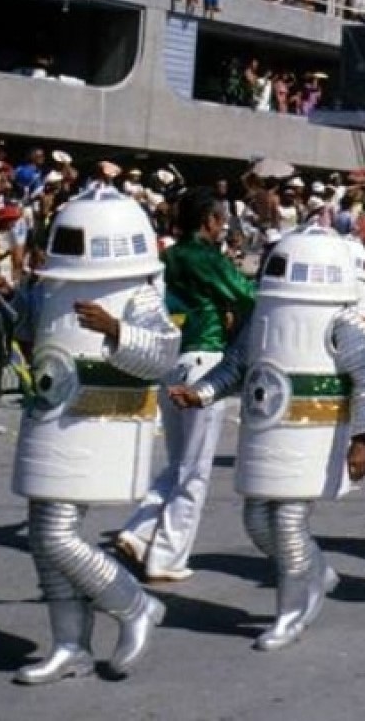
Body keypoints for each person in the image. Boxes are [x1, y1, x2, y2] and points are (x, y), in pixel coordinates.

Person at [170, 227, 365, 650]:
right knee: (256, 520)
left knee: (288, 524)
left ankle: (290, 614)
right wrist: (202, 394)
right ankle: (316, 570)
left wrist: (361, 438)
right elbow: (236, 366)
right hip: (266, 436)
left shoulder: (343, 321)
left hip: (312, 436)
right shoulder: (263, 315)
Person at [11, 187, 179, 684]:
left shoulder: (139, 292)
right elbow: (28, 331)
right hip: (49, 418)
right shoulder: (46, 287)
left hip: (97, 424)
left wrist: (116, 330)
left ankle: (133, 604)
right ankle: (71, 645)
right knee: (44, 536)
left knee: (58, 534)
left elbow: (165, 354)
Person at [116, 188, 257, 582]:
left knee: (178, 462)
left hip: (171, 362)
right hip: (205, 361)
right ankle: (167, 557)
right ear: (209, 221)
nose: (224, 226)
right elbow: (248, 297)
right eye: (221, 220)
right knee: (194, 472)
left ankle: (139, 532)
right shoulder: (206, 257)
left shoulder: (168, 257)